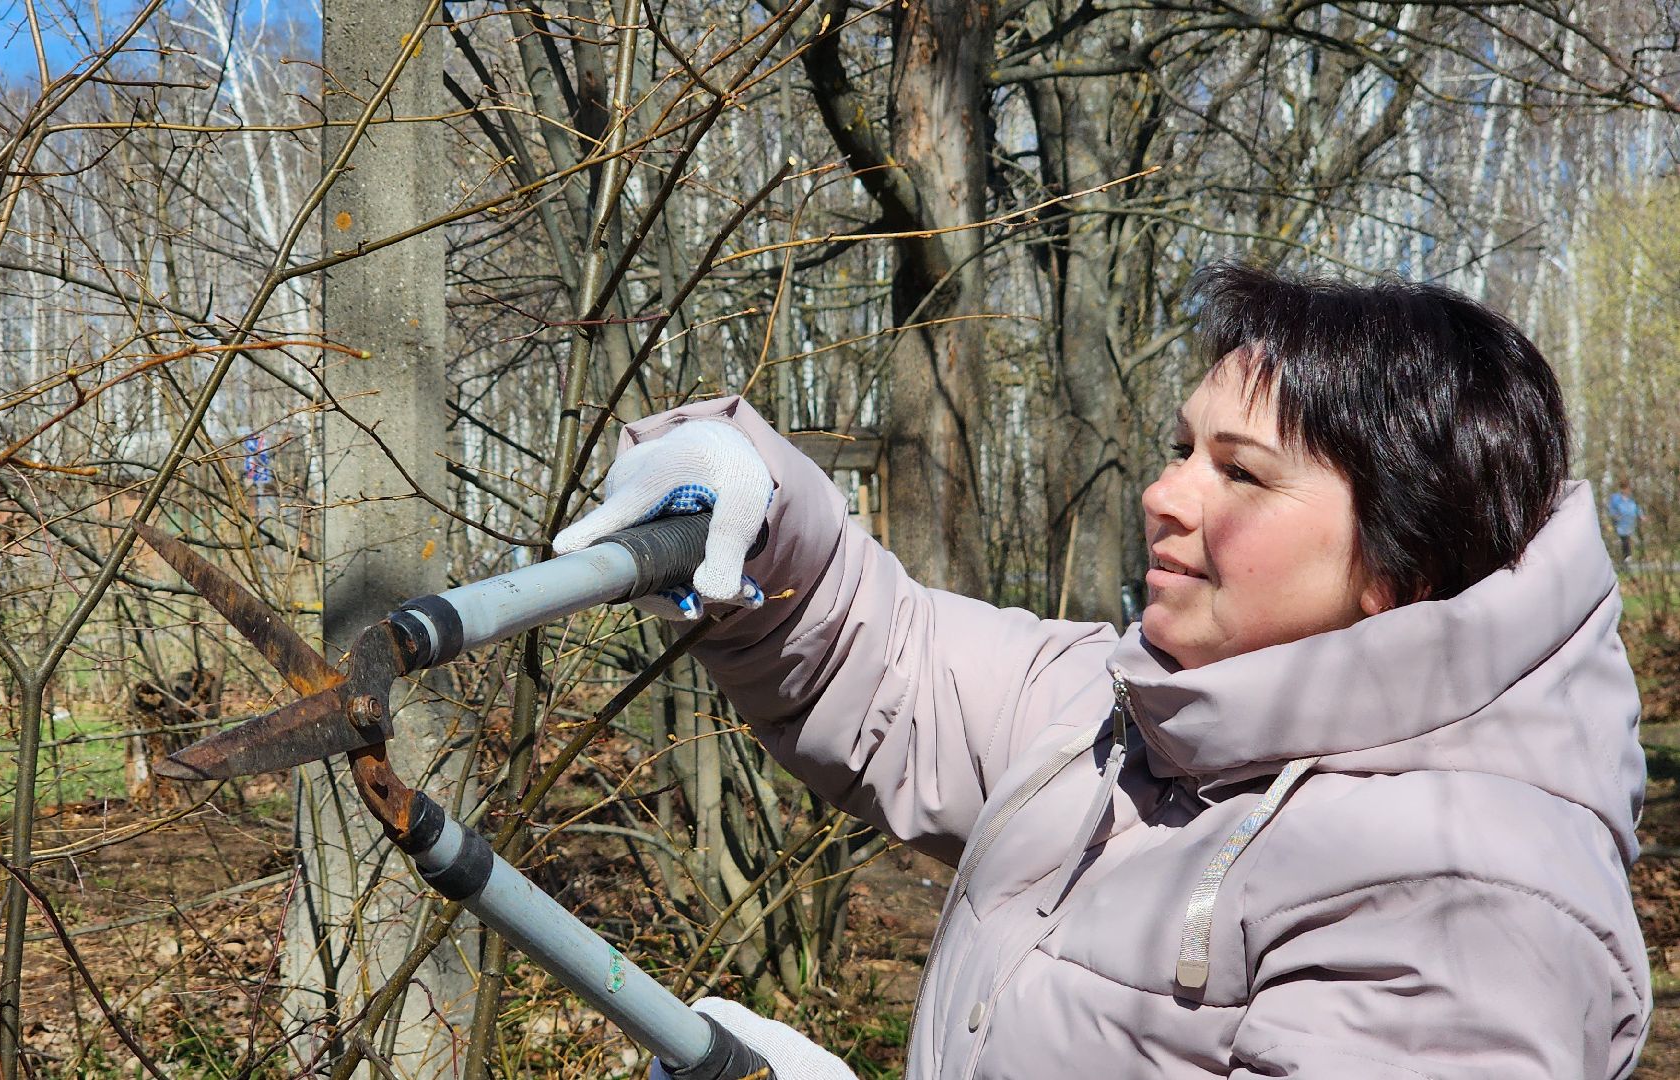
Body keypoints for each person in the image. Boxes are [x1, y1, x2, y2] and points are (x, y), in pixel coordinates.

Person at [557, 263, 1650, 1079]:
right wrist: (750, 511)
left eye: (1241, 473)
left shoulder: (1470, 910)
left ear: (1397, 563)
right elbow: (884, 663)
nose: (1167, 495)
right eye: (1183, 449)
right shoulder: (1144, 707)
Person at [1608, 480, 1641, 561]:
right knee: (1624, 537)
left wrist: (1641, 515)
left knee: (1628, 538)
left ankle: (1630, 554)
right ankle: (1627, 555)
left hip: (1630, 522)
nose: (1628, 491)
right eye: (1627, 489)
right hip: (1620, 522)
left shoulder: (1631, 499)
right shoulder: (1616, 498)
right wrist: (1615, 515)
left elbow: (1636, 508)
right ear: (1622, 489)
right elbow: (1611, 508)